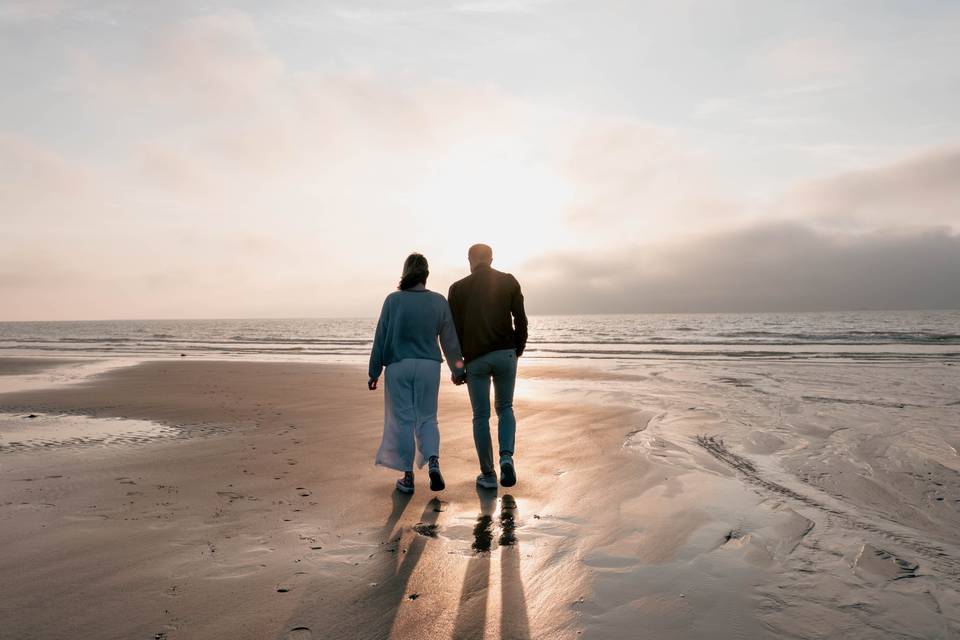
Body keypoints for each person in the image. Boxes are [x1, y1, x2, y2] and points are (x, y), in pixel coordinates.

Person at [368, 253, 466, 494]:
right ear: (426, 274)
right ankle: (433, 462)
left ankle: (408, 477)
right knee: (427, 418)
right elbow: (449, 339)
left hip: (398, 365)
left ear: (405, 272)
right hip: (428, 365)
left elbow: (381, 337)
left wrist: (374, 371)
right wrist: (457, 369)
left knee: (402, 420)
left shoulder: (393, 300)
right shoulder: (438, 301)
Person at [448, 243, 528, 489]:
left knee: (480, 416)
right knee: (505, 408)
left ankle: (488, 474)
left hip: (476, 360)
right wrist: (518, 349)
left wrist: (457, 367)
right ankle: (506, 457)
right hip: (506, 354)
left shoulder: (458, 289)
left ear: (470, 260)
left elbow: (453, 334)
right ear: (491, 259)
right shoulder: (508, 280)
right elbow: (521, 319)